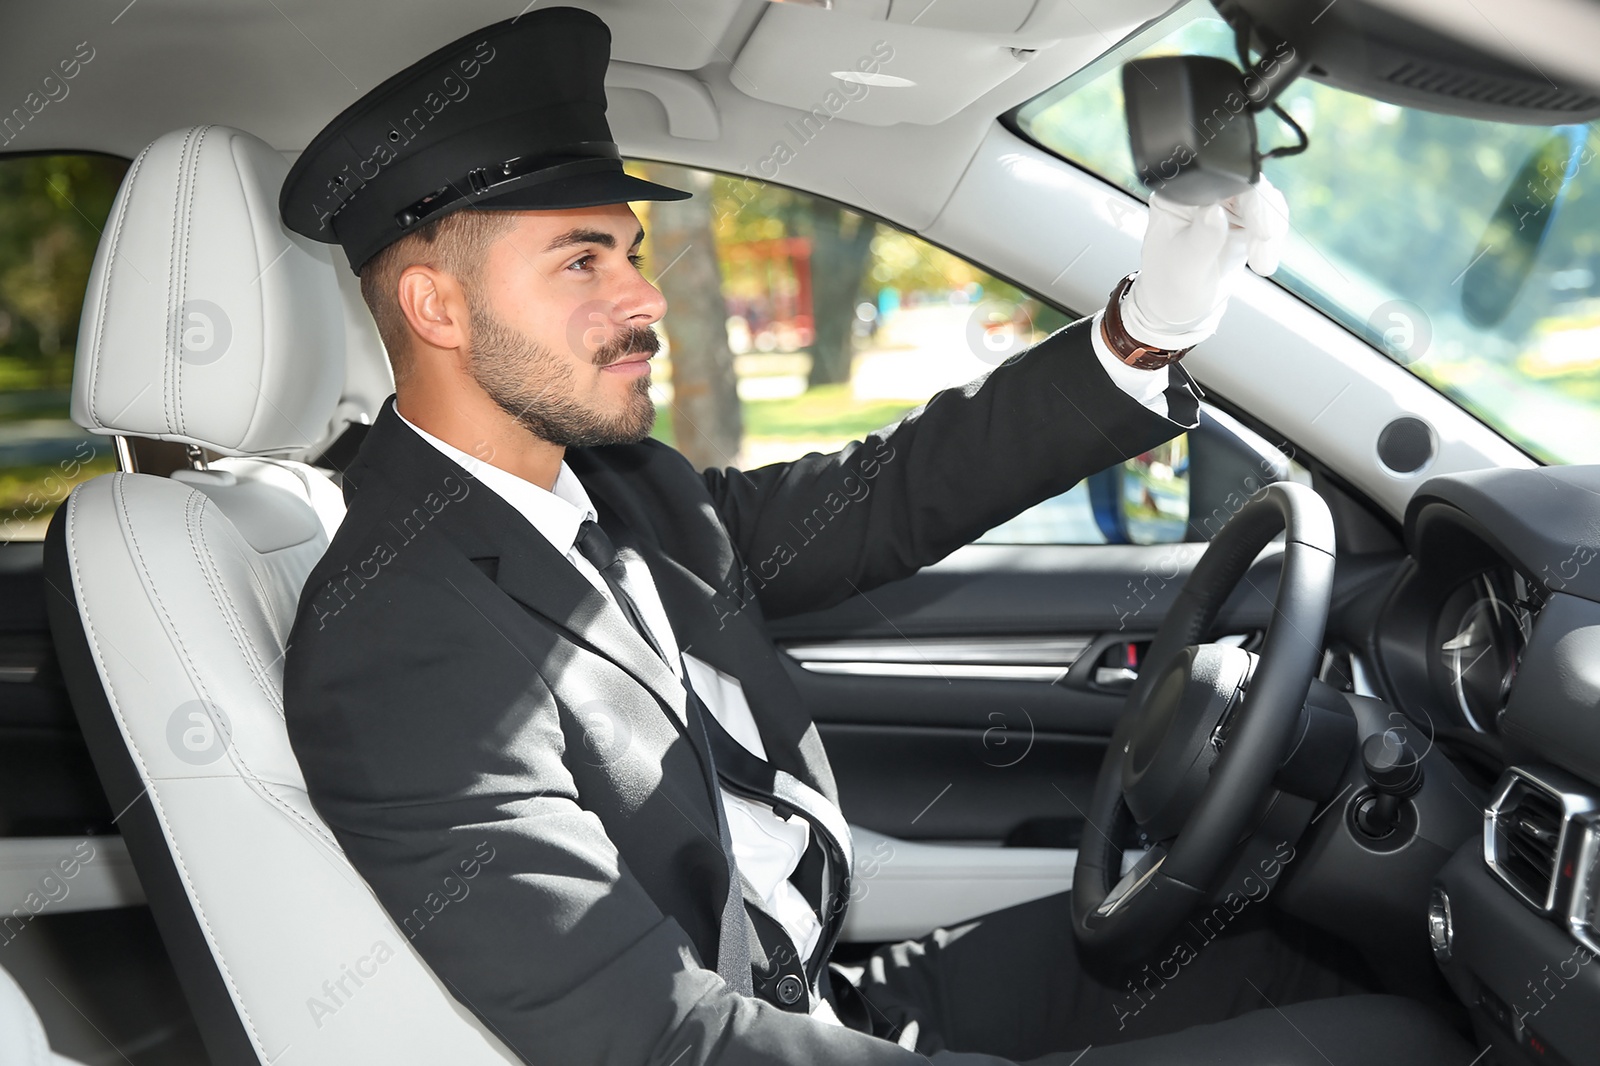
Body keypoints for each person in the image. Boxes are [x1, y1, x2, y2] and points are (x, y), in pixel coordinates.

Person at [280, 8, 1469, 1064]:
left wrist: (1148, 329)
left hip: (824, 998)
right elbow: (655, 1036)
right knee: (1391, 1041)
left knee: (1316, 950)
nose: (642, 296)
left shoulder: (618, 489)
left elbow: (890, 495)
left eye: (630, 253)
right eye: (581, 260)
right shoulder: (393, 638)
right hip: (742, 1033)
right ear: (436, 306)